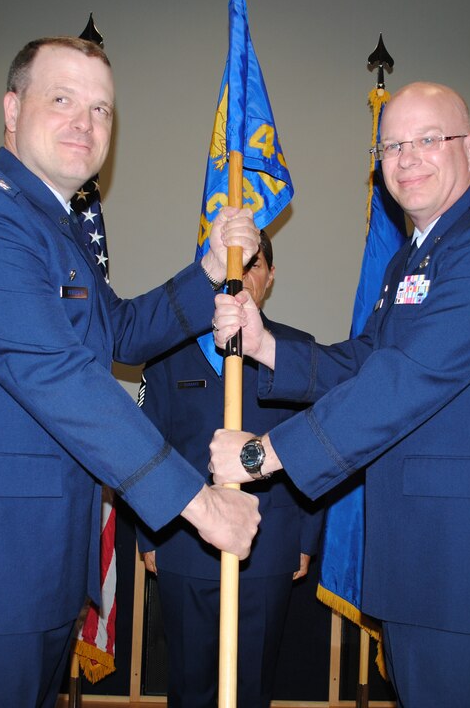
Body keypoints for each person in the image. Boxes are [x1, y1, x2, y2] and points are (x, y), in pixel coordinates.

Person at [0, 36, 262, 708]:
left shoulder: (54, 229)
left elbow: (116, 334)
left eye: (102, 110)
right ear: (11, 107)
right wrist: (198, 504)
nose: (84, 124)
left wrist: (208, 272)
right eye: (61, 100)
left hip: (42, 569)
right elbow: (57, 375)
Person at [208, 81, 470, 708]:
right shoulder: (410, 260)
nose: (406, 158)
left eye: (428, 139)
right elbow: (365, 362)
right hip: (423, 573)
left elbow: (407, 378)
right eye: (390, 145)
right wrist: (266, 343)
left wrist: (260, 456)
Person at [136, 230, 324, 708]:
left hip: (269, 548)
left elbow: (318, 450)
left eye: (255, 264)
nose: (243, 275)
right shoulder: (166, 356)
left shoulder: (297, 353)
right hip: (184, 544)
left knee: (253, 687)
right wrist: (149, 537)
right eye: (235, 264)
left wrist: (305, 540)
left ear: (270, 278)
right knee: (189, 686)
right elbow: (146, 443)